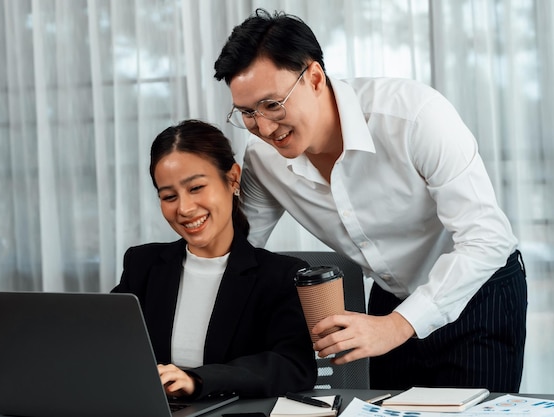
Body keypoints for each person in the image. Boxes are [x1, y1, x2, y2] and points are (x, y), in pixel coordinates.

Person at [214, 9, 527, 392]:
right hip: (390, 296)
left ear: (313, 77)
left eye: (272, 104)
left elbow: (487, 239)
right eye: (247, 112)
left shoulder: (415, 117)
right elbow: (243, 253)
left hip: (479, 290)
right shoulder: (263, 158)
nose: (263, 128)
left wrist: (397, 325)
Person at [111, 119, 317, 400]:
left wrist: (197, 380)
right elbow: (107, 346)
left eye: (196, 188)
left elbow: (293, 366)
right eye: (169, 196)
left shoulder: (280, 275)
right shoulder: (142, 264)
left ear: (232, 178)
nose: (184, 209)